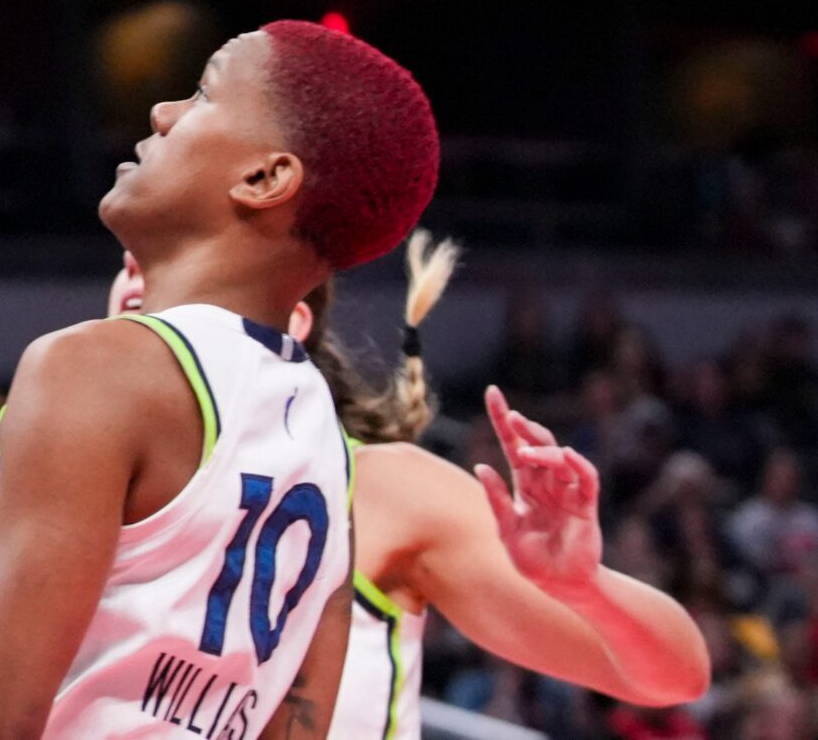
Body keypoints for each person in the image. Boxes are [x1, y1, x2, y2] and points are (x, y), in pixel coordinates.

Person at [0, 22, 443, 740]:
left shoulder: (98, 371)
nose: (163, 113)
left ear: (264, 178)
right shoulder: (324, 448)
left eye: (204, 92)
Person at [110, 235, 711, 739]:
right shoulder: (47, 482)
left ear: (289, 320)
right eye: (132, 266)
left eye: (174, 271)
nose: (137, 286)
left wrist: (581, 588)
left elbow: (674, 676)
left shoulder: (382, 491)